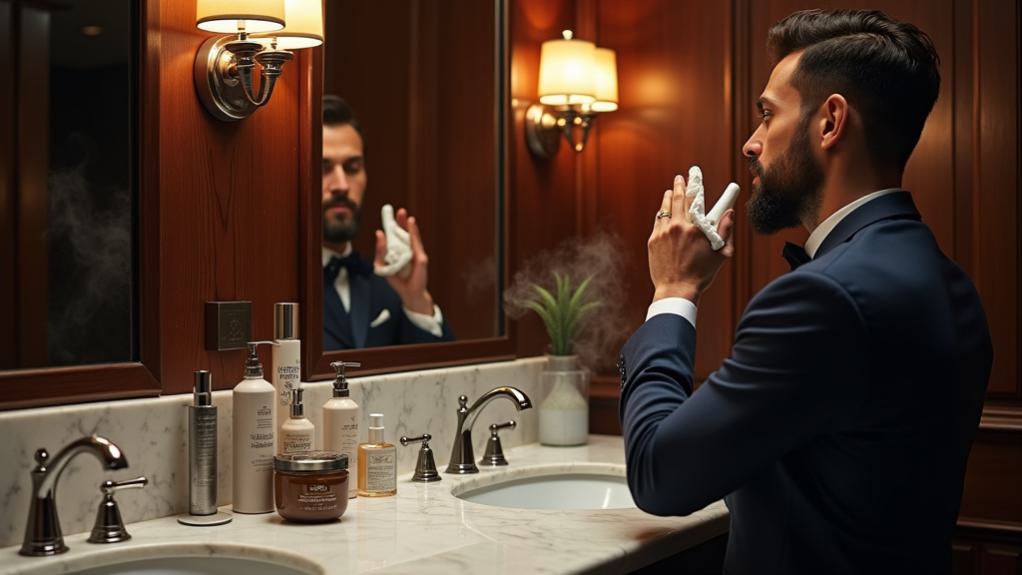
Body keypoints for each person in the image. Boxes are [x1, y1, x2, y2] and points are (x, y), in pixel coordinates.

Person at [618, 9, 992, 574]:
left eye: (767, 116)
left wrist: (674, 289)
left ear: (830, 122)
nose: (751, 144)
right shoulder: (949, 280)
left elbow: (658, 474)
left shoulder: (824, 299)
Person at [321, 95, 453, 349]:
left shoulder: (385, 285)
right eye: (323, 167)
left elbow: (442, 381)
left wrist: (416, 298)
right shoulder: (272, 286)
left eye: (352, 167)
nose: (341, 185)